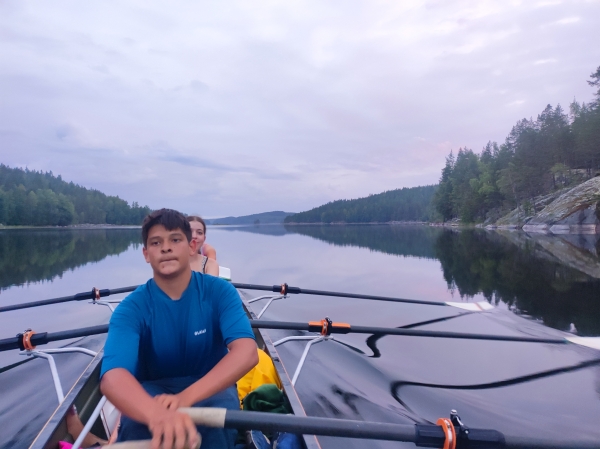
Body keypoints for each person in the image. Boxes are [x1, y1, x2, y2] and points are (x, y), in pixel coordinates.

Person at [100, 208, 258, 449]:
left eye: (175, 239)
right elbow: (113, 377)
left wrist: (183, 400)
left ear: (190, 247)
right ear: (146, 254)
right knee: (134, 426)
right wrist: (156, 414)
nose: (165, 248)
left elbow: (247, 352)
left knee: (214, 430)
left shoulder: (220, 292)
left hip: (211, 387)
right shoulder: (131, 308)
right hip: (154, 393)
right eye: (156, 242)